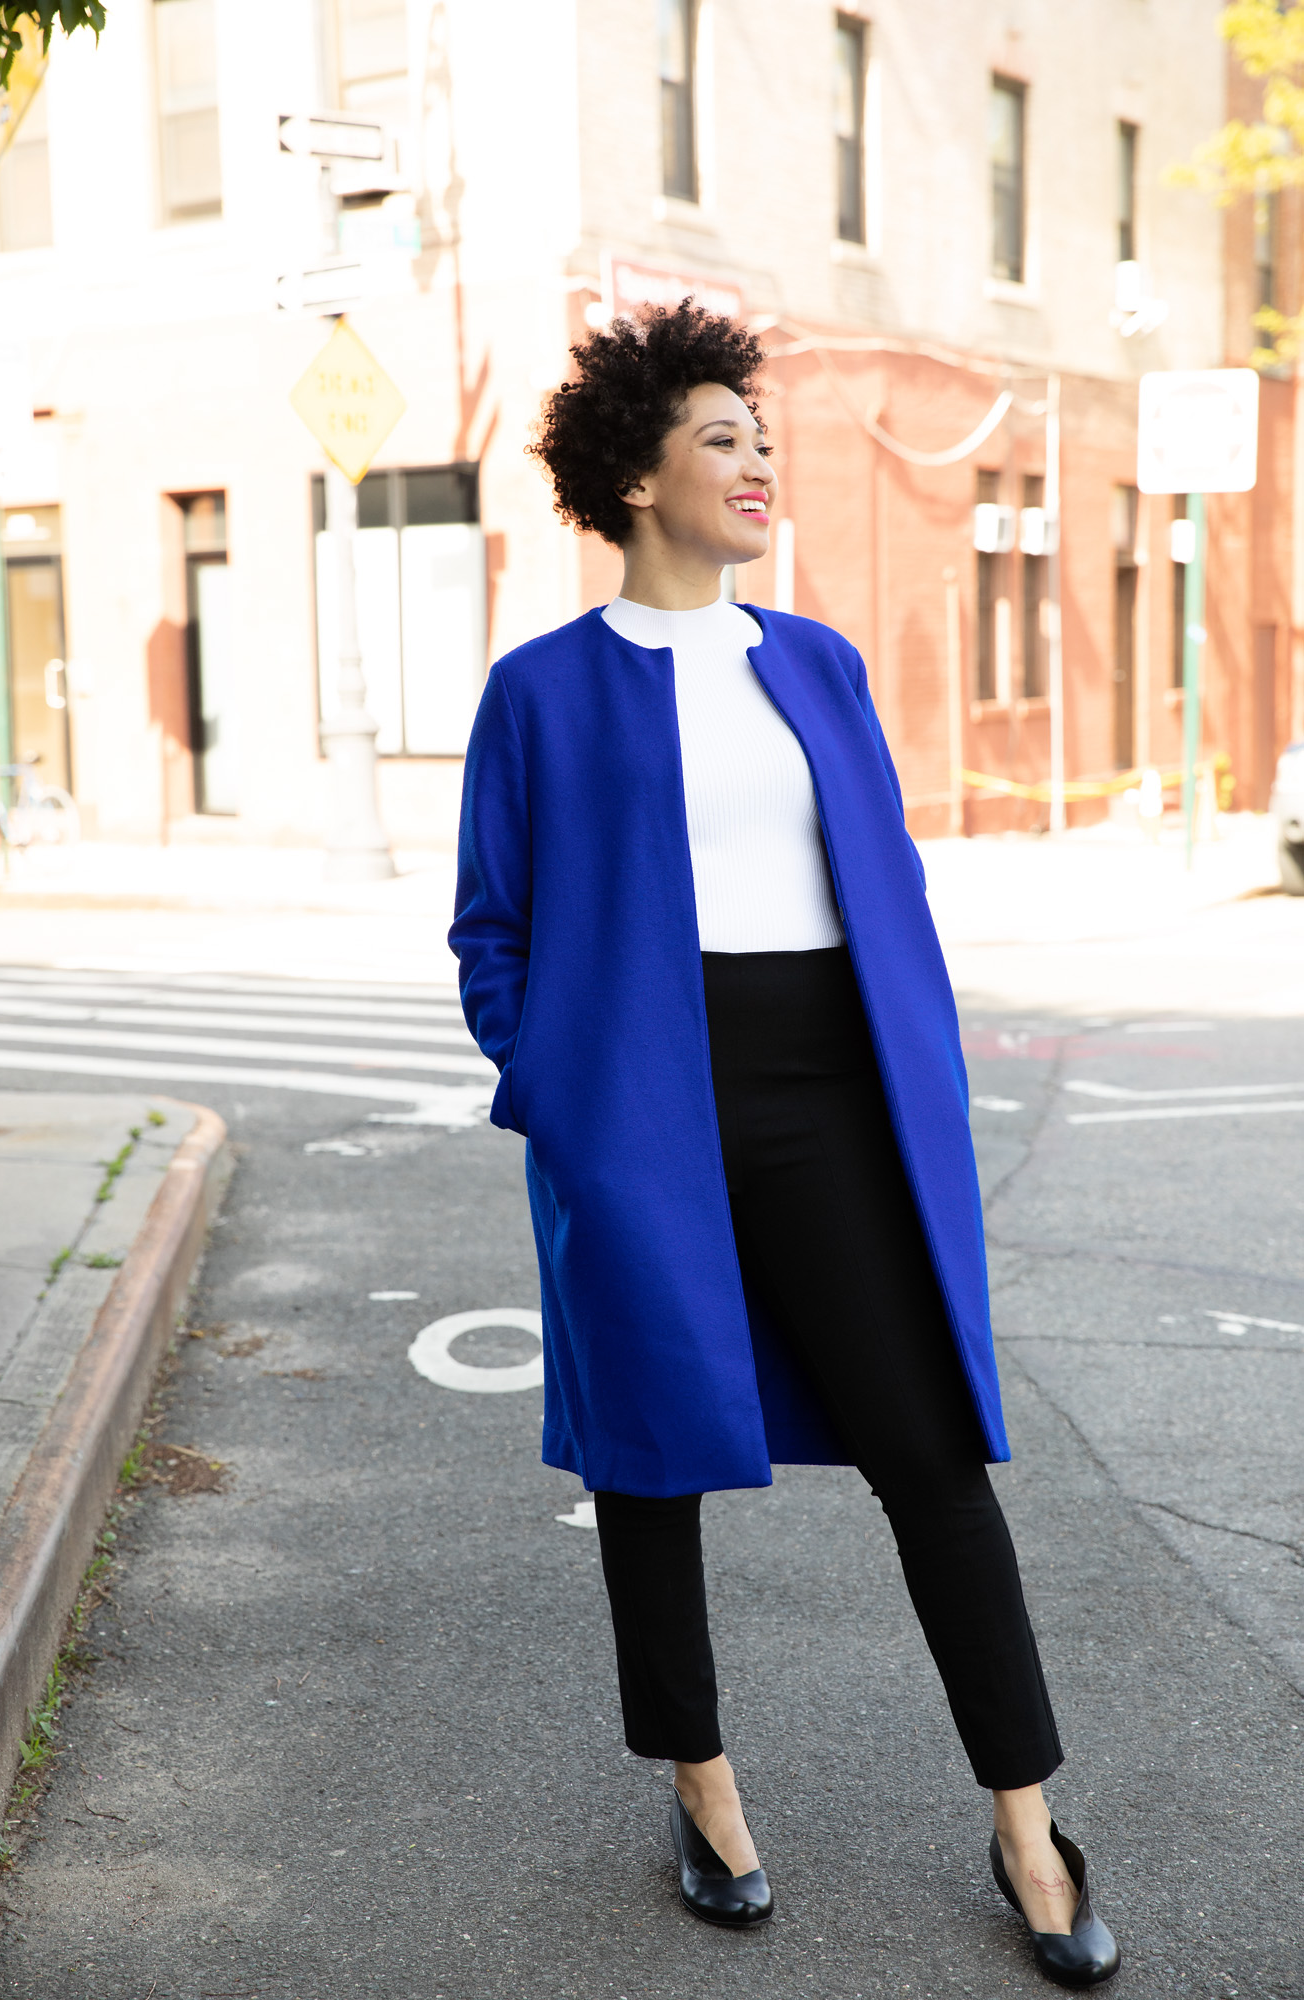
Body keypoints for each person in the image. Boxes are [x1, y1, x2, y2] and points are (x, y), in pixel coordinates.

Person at [449, 301, 1119, 1988]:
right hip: (641, 1102)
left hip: (833, 1092)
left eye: (763, 436)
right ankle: (704, 1787)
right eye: (720, 438)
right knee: (652, 1455)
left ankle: (1027, 1821)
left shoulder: (811, 662)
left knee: (929, 1453)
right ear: (633, 474)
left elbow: (876, 886)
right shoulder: (539, 694)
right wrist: (564, 1097)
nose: (759, 462)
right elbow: (493, 934)